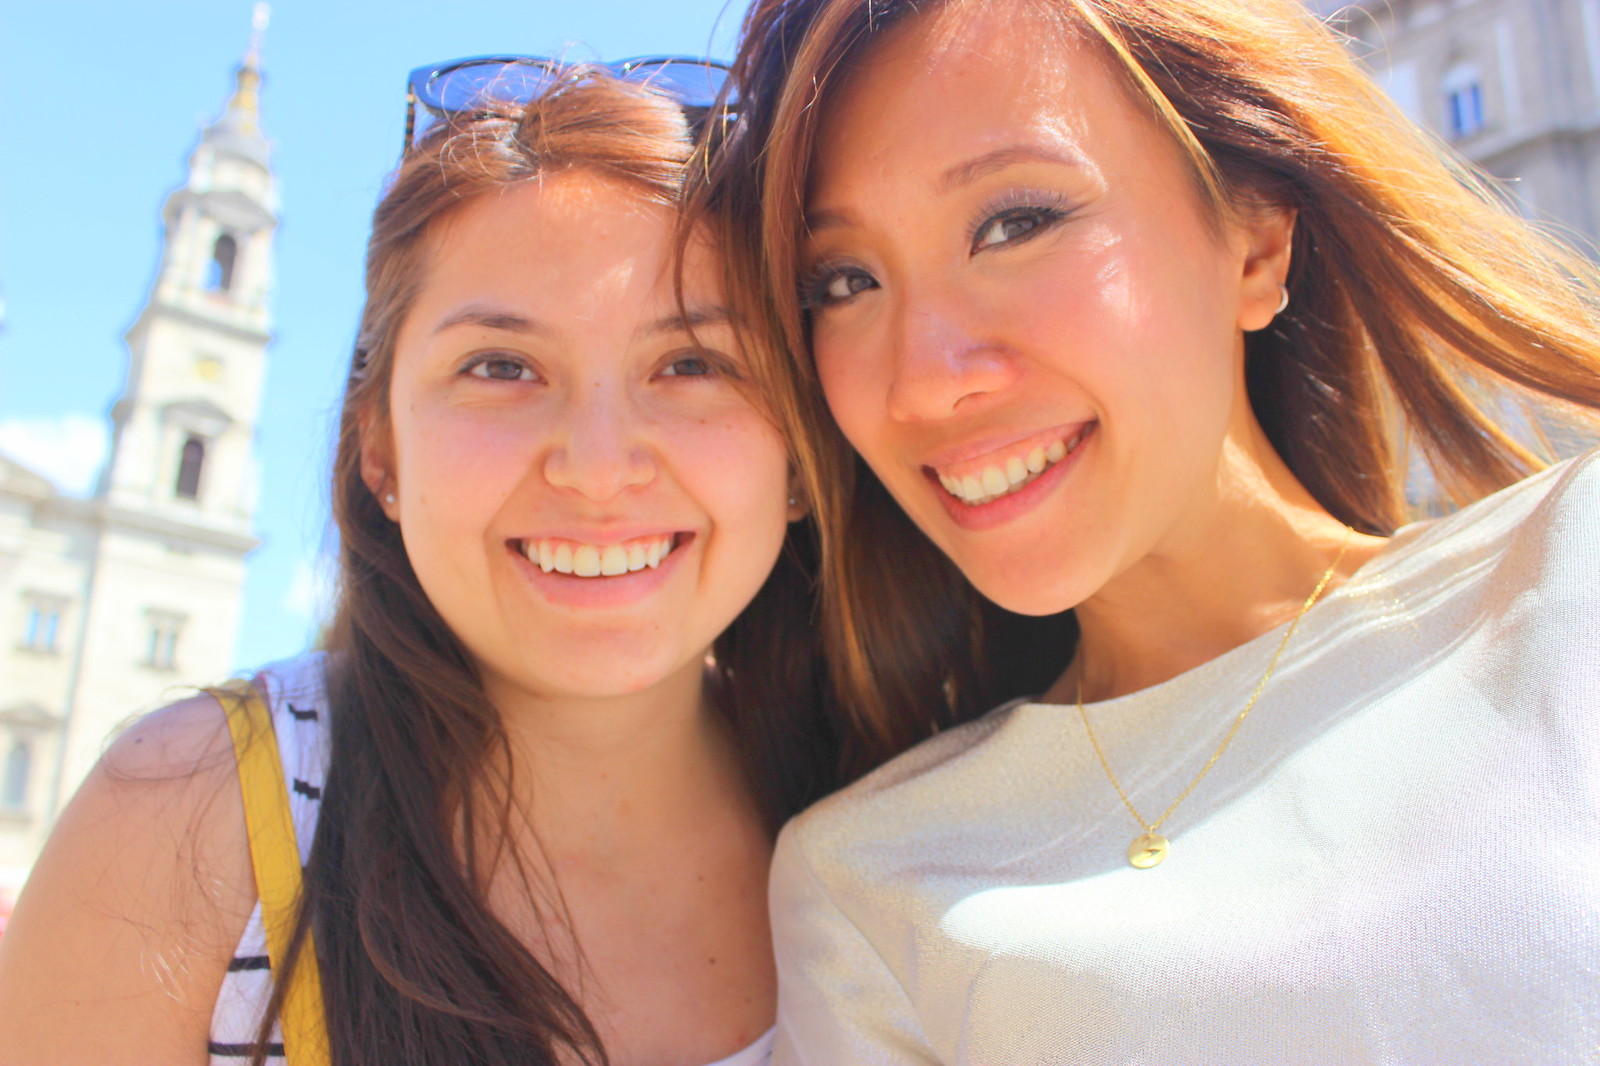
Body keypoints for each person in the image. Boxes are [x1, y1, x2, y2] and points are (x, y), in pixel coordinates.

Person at [698, 0, 1600, 1061]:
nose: (924, 380)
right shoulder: (867, 878)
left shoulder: (1570, 574)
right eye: (842, 282)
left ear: (1256, 240)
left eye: (1015, 222)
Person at [0, 65, 874, 1066]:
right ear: (379, 446)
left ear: (799, 451)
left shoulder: (900, 800)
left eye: (691, 364)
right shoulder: (187, 819)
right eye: (500, 368)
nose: (596, 468)